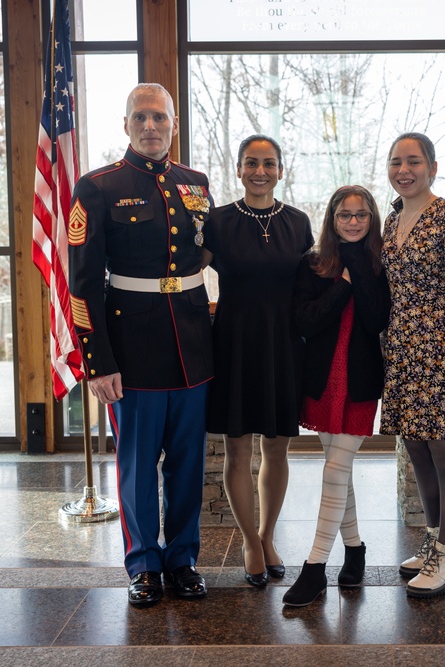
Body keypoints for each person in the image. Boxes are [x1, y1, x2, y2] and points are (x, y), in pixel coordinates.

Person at [68, 83, 214, 607]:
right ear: (126, 125)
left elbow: (205, 255)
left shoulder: (195, 183)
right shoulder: (97, 187)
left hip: (192, 348)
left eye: (160, 117)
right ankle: (143, 565)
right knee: (135, 464)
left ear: (174, 124)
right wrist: (98, 362)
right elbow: (82, 285)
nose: (151, 126)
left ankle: (182, 558)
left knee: (186, 463)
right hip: (131, 352)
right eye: (140, 118)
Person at [202, 135, 314, 587]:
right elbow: (188, 274)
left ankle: (269, 536)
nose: (260, 171)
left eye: (269, 164)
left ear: (281, 170)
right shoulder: (219, 221)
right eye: (251, 163)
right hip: (234, 341)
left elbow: (312, 284)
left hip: (285, 343)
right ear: (239, 169)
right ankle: (249, 540)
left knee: (278, 445)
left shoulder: (299, 222)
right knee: (237, 448)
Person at [282, 186, 391, 607]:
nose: (353, 222)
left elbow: (377, 318)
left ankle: (314, 569)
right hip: (324, 378)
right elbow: (306, 319)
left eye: (361, 215)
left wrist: (359, 274)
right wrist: (342, 284)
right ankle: (356, 548)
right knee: (337, 470)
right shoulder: (313, 263)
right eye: (344, 215)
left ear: (371, 219)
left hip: (361, 380)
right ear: (331, 218)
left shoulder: (380, 264)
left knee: (334, 470)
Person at [381, 132, 445, 598]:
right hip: (401, 352)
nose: (405, 170)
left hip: (440, 351)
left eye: (414, 161)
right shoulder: (392, 218)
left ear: (433, 167)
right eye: (396, 162)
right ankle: (434, 539)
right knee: (416, 450)